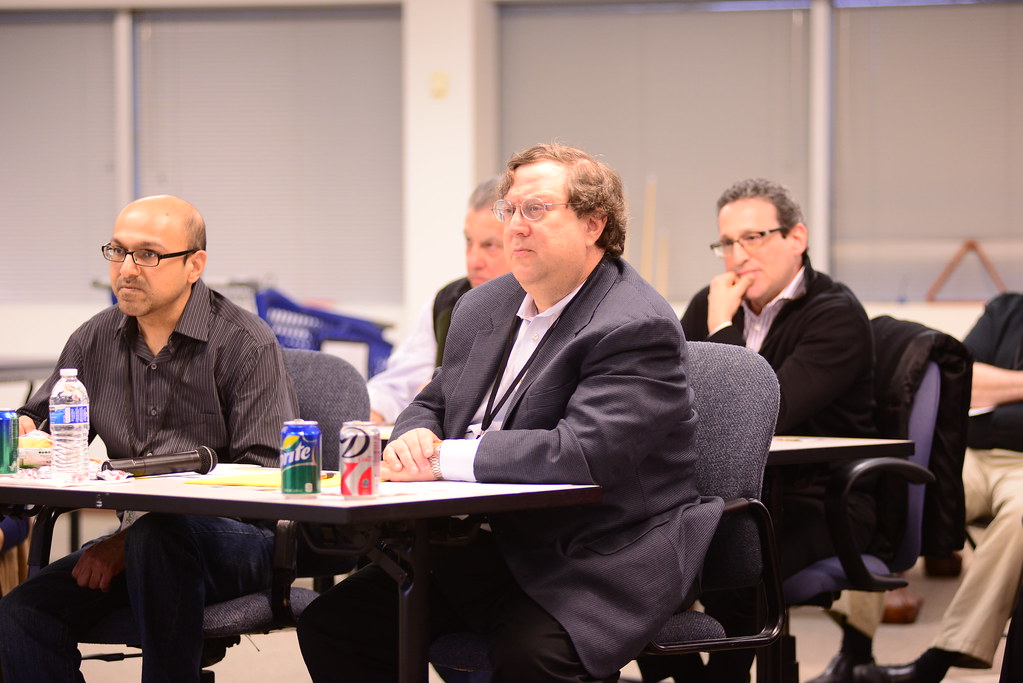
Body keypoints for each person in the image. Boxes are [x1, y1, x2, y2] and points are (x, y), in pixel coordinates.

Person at [297, 143, 721, 682]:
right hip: (481, 544)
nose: (514, 226)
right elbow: (433, 400)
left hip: (593, 553)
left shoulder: (633, 324)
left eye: (537, 209)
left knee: (530, 657)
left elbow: (580, 453)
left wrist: (442, 459)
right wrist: (413, 437)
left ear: (594, 223)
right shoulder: (483, 306)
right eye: (510, 209)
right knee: (338, 624)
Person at [0, 195, 299, 683]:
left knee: (160, 539)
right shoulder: (94, 339)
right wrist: (26, 436)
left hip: (246, 544)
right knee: (23, 613)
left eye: (148, 254)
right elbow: (42, 431)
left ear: (194, 266)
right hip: (139, 540)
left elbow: (263, 483)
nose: (127, 269)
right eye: (117, 252)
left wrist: (128, 541)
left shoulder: (245, 344)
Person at [639, 178, 878, 683]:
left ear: (797, 238)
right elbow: (665, 392)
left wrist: (722, 328)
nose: (738, 255)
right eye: (727, 242)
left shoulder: (835, 314)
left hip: (820, 500)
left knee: (732, 553)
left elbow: (768, 410)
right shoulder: (712, 300)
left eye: (755, 237)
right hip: (719, 494)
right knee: (631, 552)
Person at [847, 292, 1023, 683]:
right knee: (886, 481)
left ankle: (939, 659)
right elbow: (962, 380)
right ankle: (853, 648)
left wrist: (1002, 388)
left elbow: (981, 387)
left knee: (1022, 516)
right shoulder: (1007, 308)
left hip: (1021, 469)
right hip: (970, 456)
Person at [368, 176, 509, 424]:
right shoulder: (446, 304)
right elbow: (398, 385)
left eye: (490, 246)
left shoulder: (541, 306)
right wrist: (371, 413)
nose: (473, 260)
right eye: (469, 242)